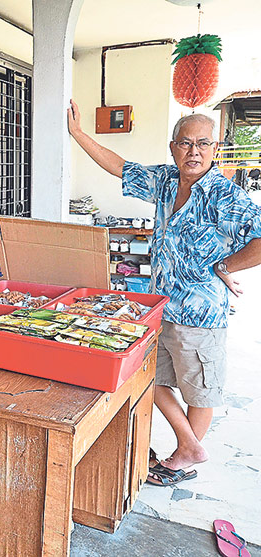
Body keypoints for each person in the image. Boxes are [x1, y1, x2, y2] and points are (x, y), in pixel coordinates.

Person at [67, 100, 261, 486]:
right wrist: (77, 135)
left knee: (199, 391)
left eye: (203, 143)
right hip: (161, 306)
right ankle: (189, 446)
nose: (194, 151)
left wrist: (225, 266)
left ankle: (184, 457)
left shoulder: (226, 197)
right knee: (150, 378)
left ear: (215, 148)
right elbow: (120, 166)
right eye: (186, 143)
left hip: (202, 314)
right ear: (173, 147)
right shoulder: (166, 180)